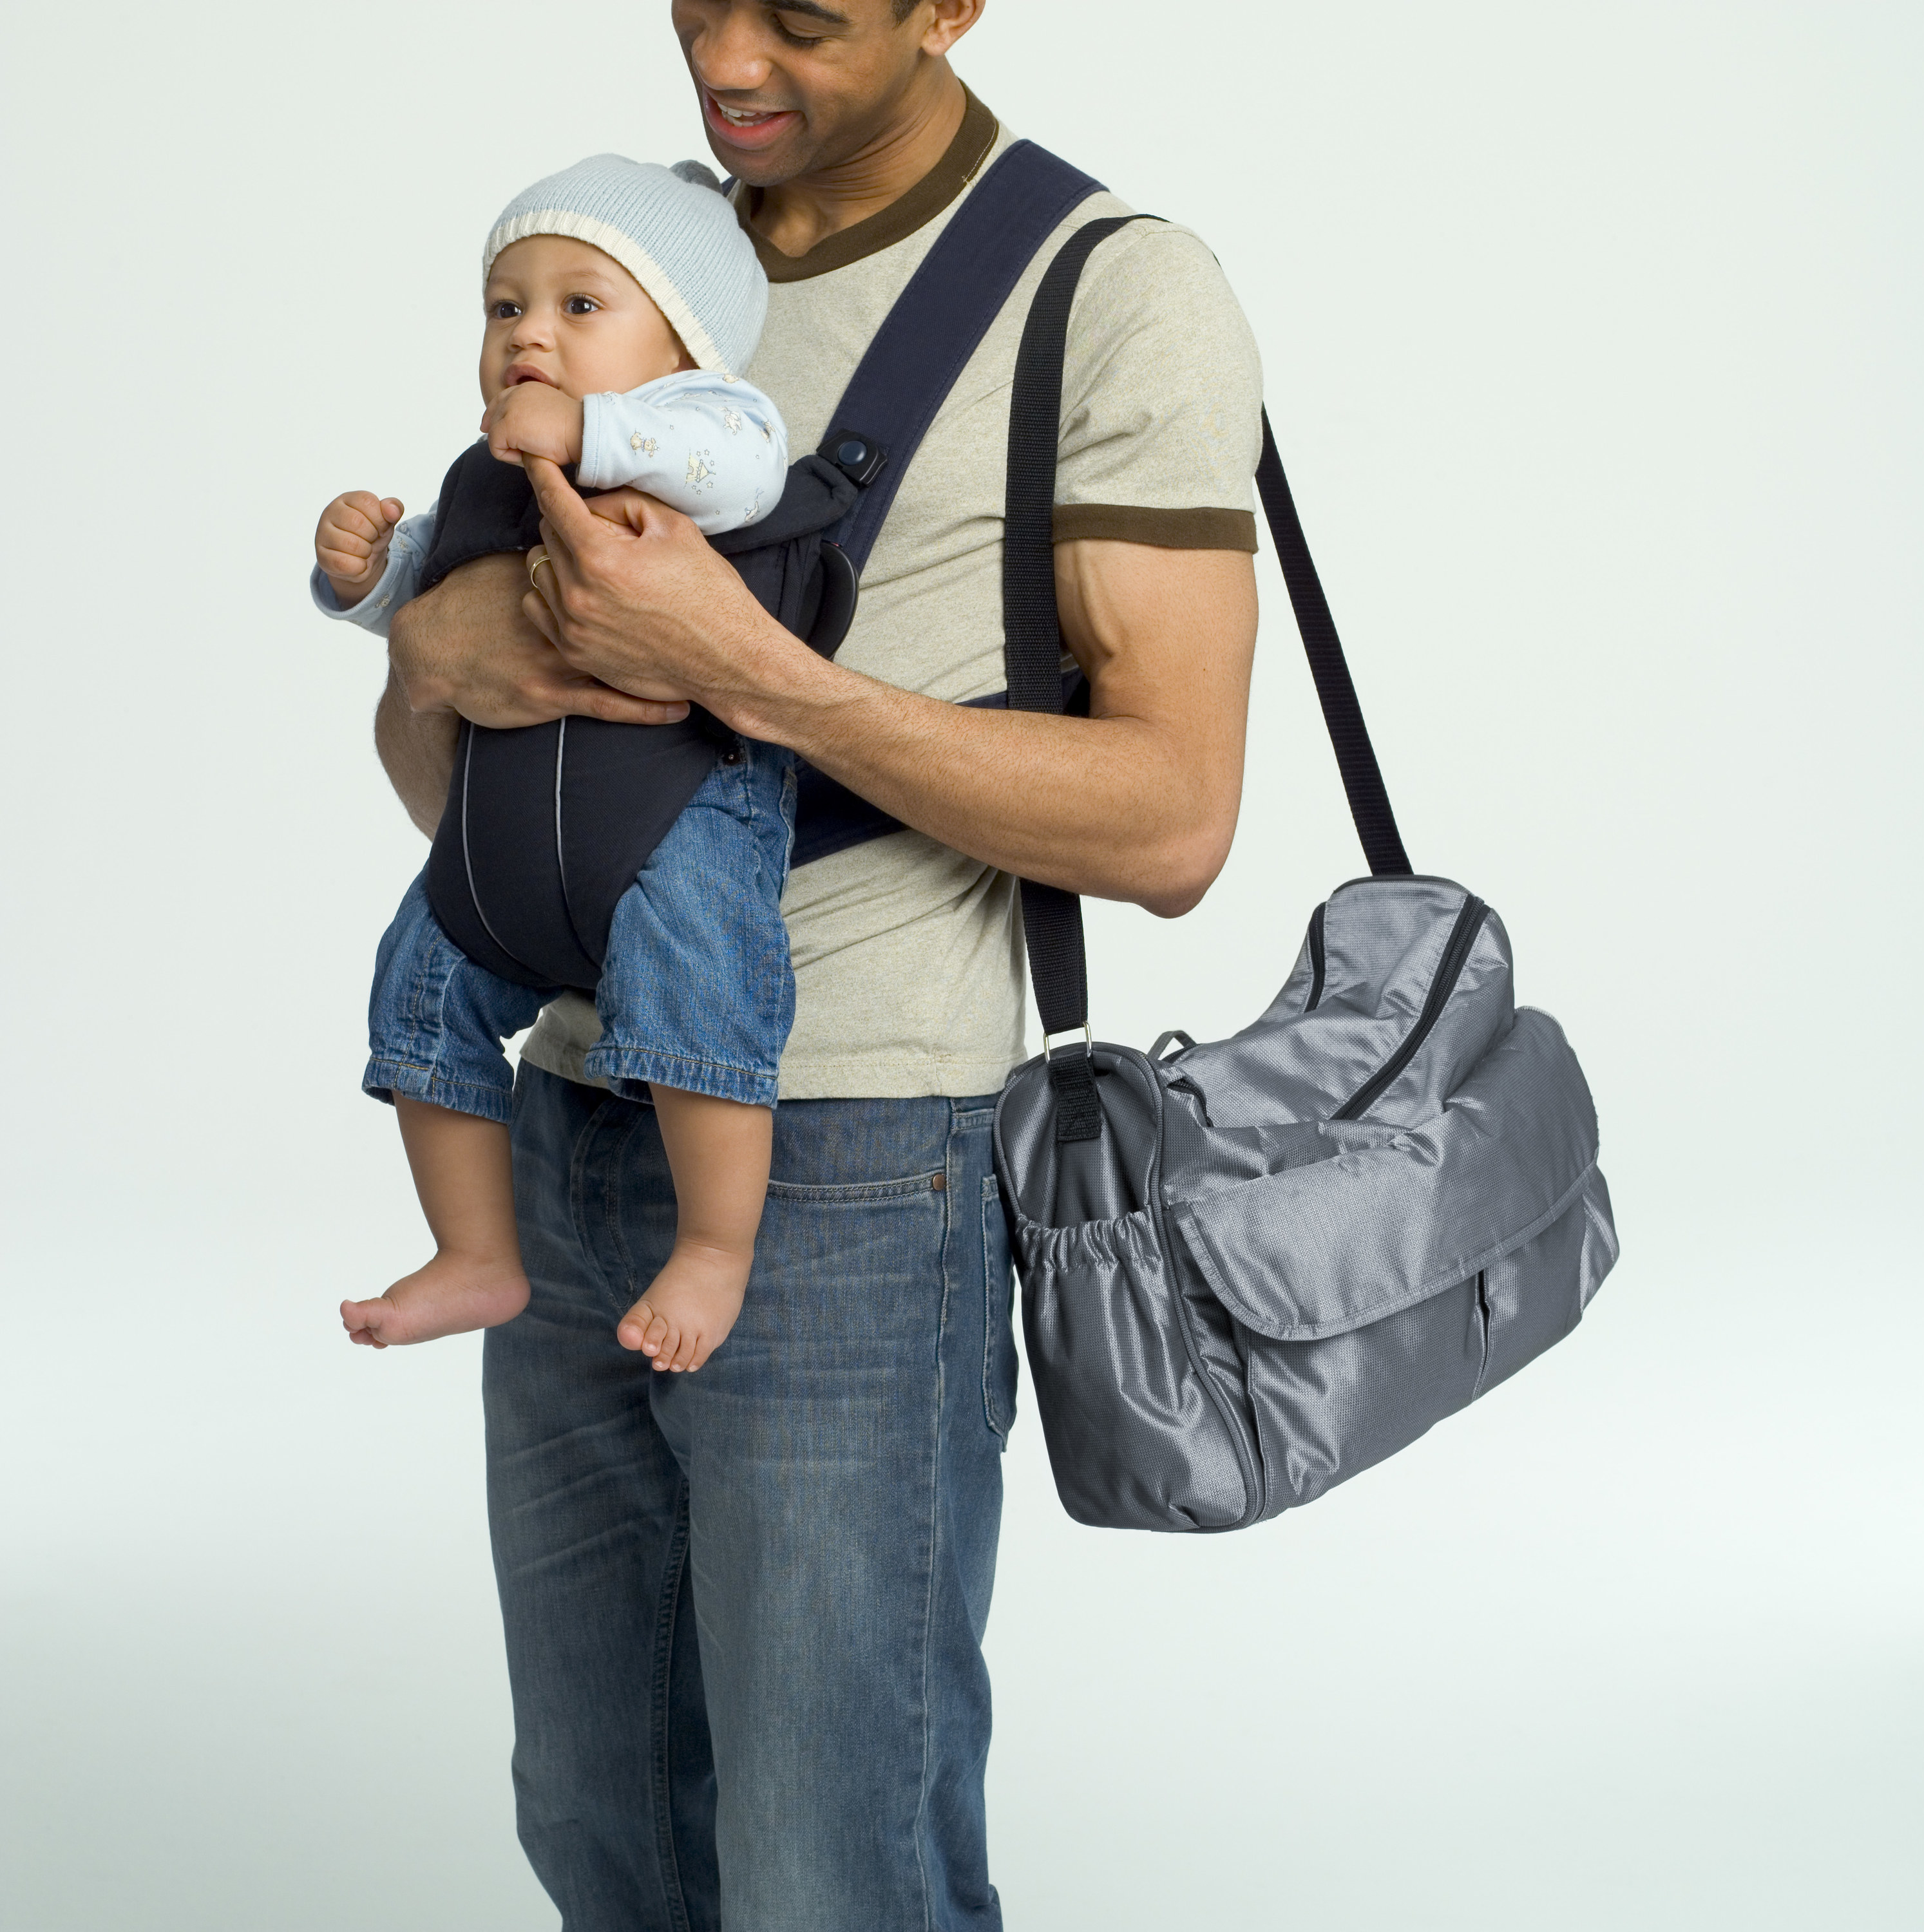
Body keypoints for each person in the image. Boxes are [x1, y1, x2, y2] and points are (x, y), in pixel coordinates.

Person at [374, 1, 1262, 1926]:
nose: (732, 55)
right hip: (562, 1124)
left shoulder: (1105, 290)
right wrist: (434, 653)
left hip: (857, 1164)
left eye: (812, 15)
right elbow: (437, 778)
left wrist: (753, 671)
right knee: (600, 1835)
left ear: (954, 4)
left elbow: (1175, 822)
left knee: (824, 1872)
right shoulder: (620, 265)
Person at [314, 156, 790, 1373]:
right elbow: (426, 604)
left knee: (701, 996)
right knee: (417, 993)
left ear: (685, 343)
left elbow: (745, 478)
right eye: (506, 306)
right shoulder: (485, 473)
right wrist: (365, 575)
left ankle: (715, 1248)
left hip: (677, 813)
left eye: (582, 306)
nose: (530, 333)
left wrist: (591, 432)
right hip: (500, 843)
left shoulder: (716, 426)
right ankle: (477, 1252)